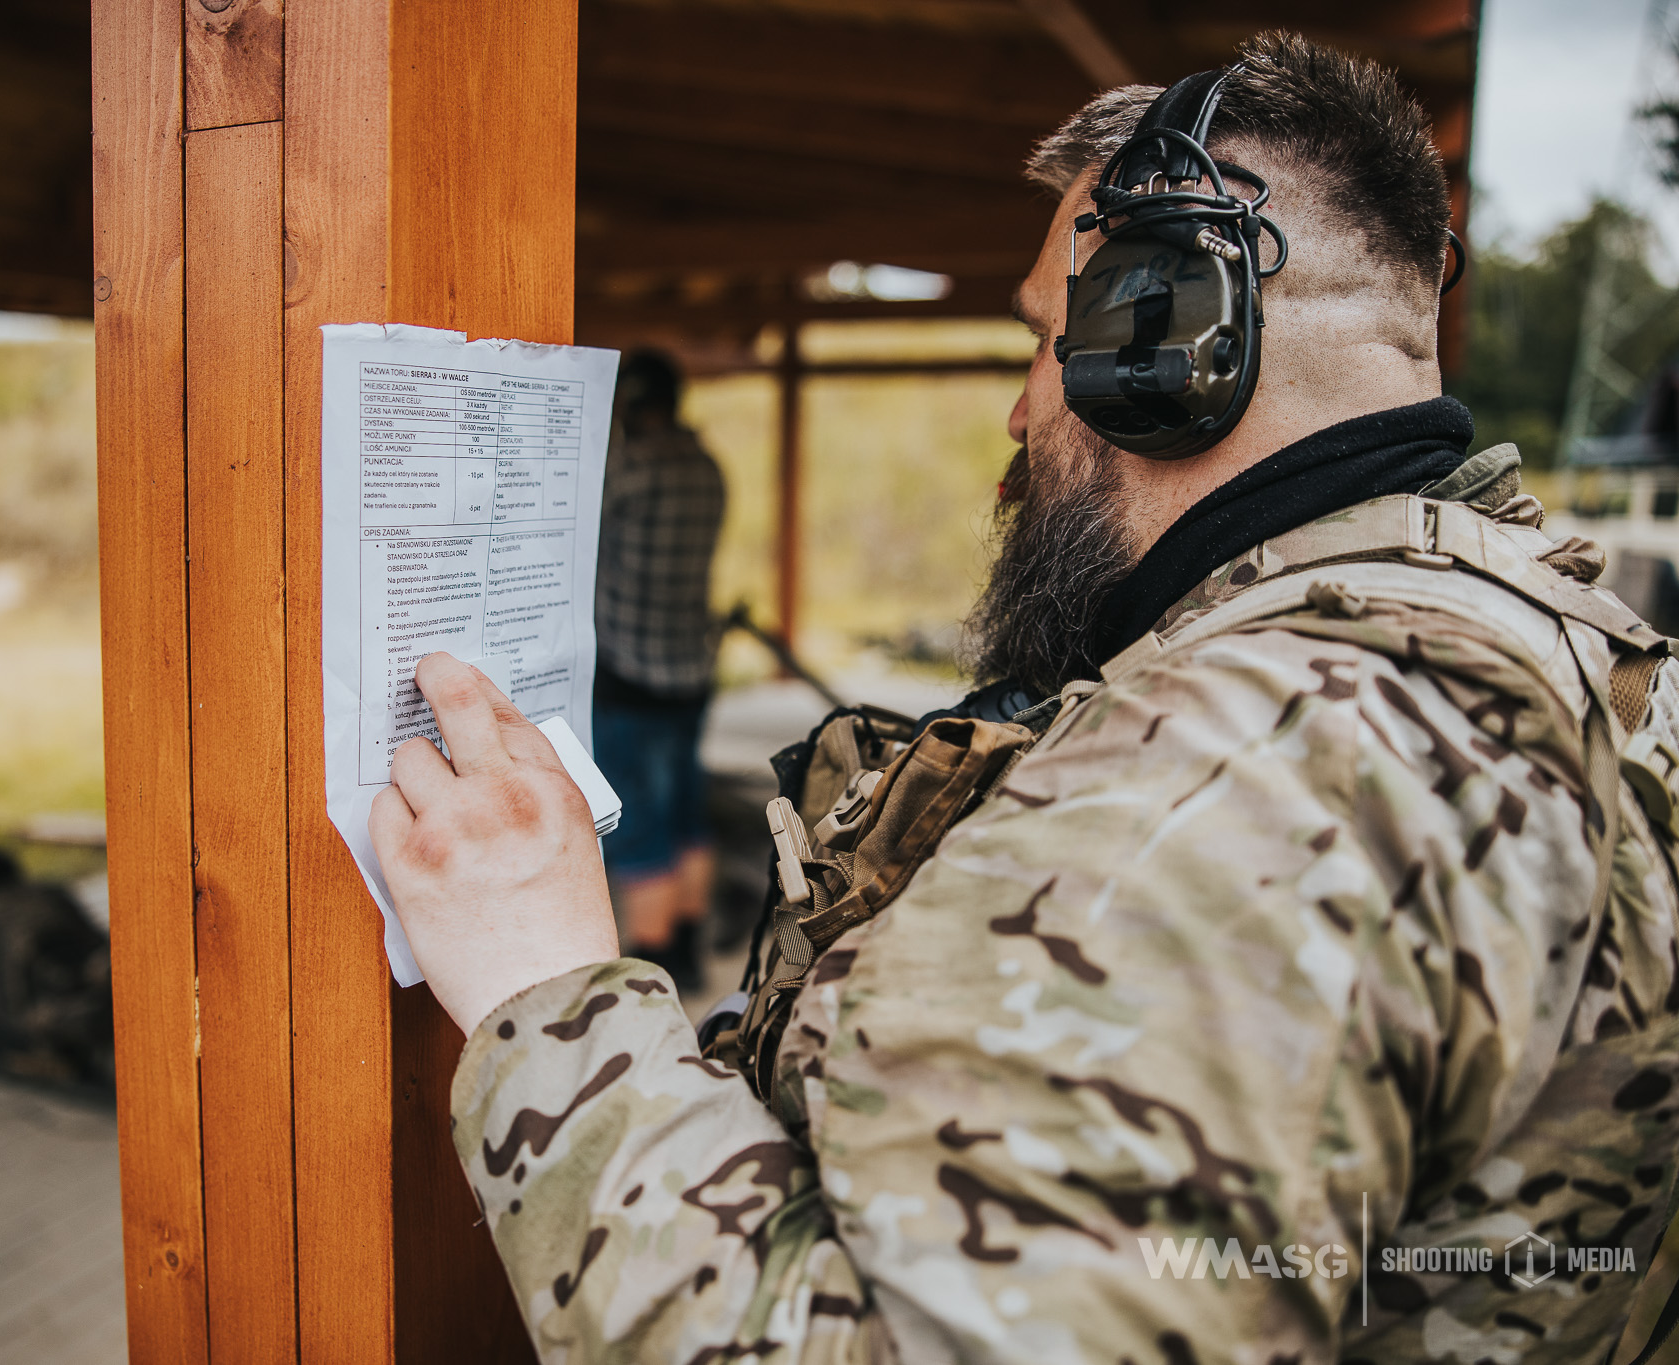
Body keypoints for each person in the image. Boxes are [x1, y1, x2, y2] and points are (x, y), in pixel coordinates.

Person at [368, 32, 1679, 1363]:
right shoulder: (1562, 633)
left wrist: (549, 986)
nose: (1016, 410)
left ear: (1162, 346)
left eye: (1046, 340)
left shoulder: (1234, 785)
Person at [590, 348, 727, 992]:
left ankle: (654, 969)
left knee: (638, 824)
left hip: (629, 674)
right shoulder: (707, 468)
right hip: (690, 668)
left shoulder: (629, 468)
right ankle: (690, 951)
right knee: (684, 812)